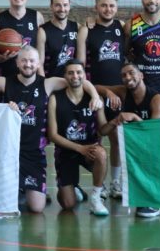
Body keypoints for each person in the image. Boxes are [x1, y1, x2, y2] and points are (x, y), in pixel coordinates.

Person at [0, 46, 102, 213]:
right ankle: (16, 189)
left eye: (32, 61)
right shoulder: (4, 82)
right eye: (24, 60)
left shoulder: (48, 83)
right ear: (17, 62)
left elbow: (79, 81)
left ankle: (25, 190)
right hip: (7, 151)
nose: (28, 64)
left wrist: (95, 95)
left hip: (34, 153)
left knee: (37, 208)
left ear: (38, 63)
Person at [97, 63, 160, 217]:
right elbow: (95, 87)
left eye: (131, 73)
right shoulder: (123, 92)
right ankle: (135, 192)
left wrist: (135, 117)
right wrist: (108, 92)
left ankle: (157, 201)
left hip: (156, 148)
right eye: (124, 75)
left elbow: (154, 134)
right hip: (137, 149)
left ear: (141, 75)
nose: (127, 77)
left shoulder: (156, 99)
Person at [77, 0, 125, 199]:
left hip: (118, 94)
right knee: (94, 140)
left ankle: (115, 182)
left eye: (112, 5)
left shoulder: (121, 27)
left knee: (116, 137)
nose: (108, 9)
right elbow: (80, 67)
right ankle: (99, 185)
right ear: (96, 6)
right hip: (94, 92)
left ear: (117, 8)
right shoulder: (87, 29)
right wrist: (96, 92)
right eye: (104, 5)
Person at [48, 59, 110, 216]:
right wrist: (79, 148)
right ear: (65, 76)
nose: (75, 76)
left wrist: (116, 121)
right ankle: (71, 186)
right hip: (66, 151)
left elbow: (102, 129)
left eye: (78, 72)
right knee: (67, 205)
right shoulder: (55, 99)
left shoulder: (95, 100)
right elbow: (52, 135)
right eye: (70, 73)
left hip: (89, 149)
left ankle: (96, 198)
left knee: (101, 153)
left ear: (84, 75)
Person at [36, 0, 78, 77]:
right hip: (53, 81)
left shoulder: (77, 27)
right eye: (57, 5)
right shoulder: (43, 31)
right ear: (51, 6)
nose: (62, 9)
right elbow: (39, 63)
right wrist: (43, 85)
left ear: (69, 6)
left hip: (73, 80)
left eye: (65, 5)